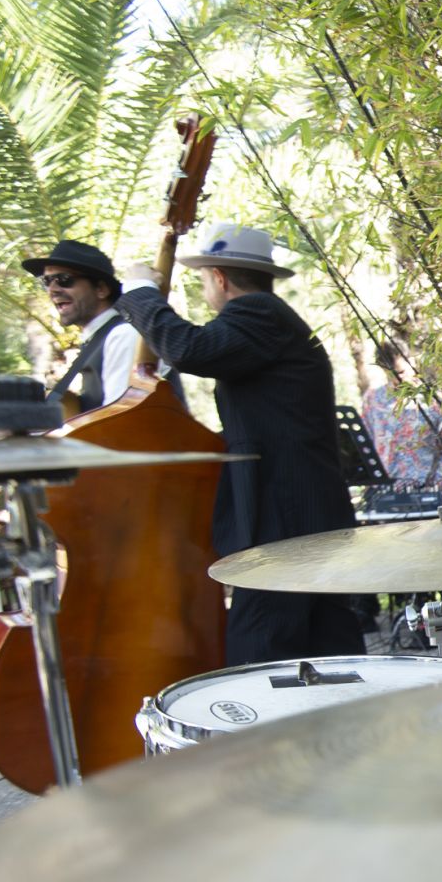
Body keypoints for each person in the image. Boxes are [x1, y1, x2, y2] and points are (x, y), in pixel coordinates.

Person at [116, 224, 363, 666]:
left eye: (205, 281)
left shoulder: (258, 316)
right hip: (302, 508)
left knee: (264, 650)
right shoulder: (270, 322)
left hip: (286, 513)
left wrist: (140, 291)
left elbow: (189, 348)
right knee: (328, 647)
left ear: (220, 278)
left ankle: (272, 736)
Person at [21, 240, 139, 412]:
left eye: (64, 279)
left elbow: (118, 420)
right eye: (47, 281)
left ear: (101, 289)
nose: (52, 289)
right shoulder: (97, 338)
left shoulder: (123, 335)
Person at [361, 340, 442, 492]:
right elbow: (364, 446)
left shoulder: (433, 399)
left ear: (411, 362)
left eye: (400, 372)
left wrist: (438, 483)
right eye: (389, 374)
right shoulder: (372, 399)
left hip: (425, 489)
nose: (396, 380)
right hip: (384, 491)